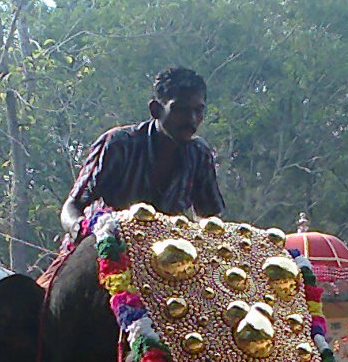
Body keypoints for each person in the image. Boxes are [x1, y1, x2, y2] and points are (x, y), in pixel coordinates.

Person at [58, 66, 227, 237]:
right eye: (180, 109)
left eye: (198, 111)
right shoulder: (119, 144)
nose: (191, 119)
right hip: (107, 246)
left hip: (166, 252)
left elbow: (210, 221)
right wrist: (81, 230)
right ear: (155, 110)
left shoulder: (200, 155)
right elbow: (72, 206)